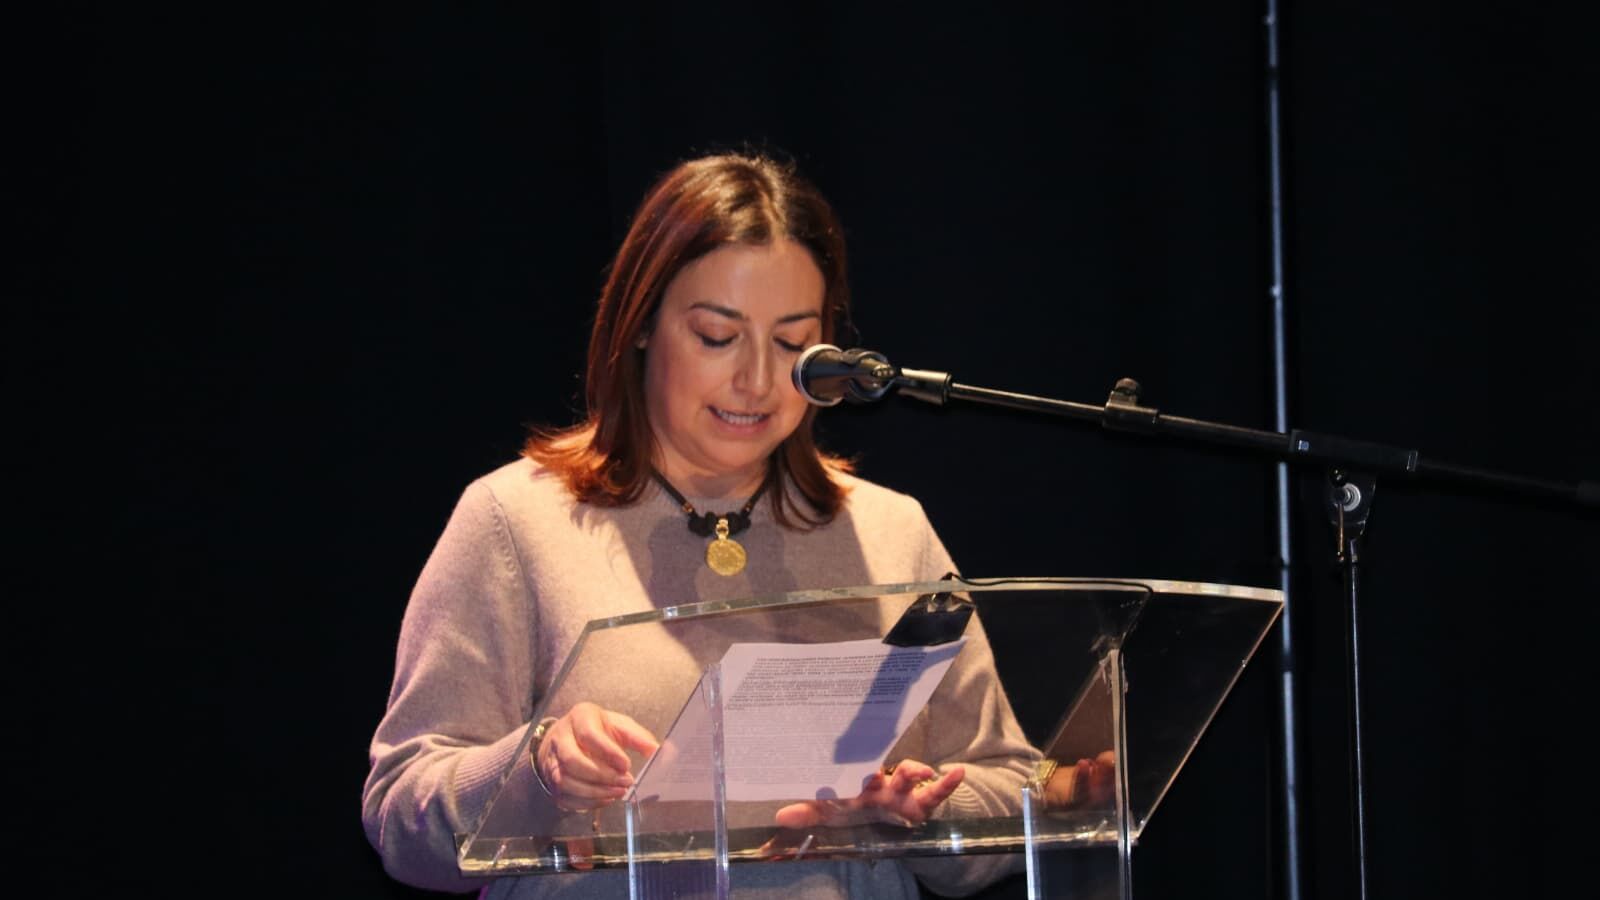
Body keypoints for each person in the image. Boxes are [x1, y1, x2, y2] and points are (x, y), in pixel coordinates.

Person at [361, 153, 1039, 898]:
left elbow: (1012, 787)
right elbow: (400, 819)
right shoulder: (516, 521)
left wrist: (919, 813)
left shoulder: (890, 530)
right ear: (641, 324)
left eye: (793, 345)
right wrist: (538, 769)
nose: (757, 381)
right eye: (717, 336)